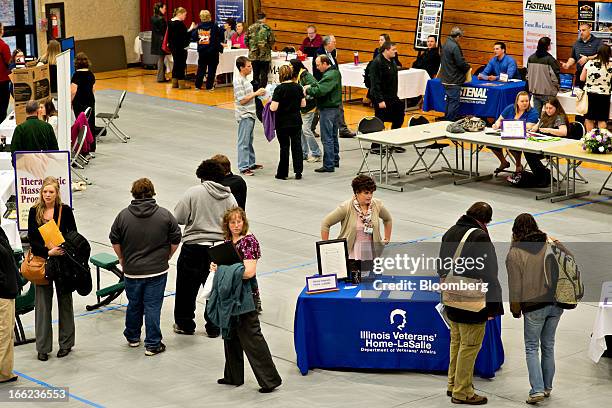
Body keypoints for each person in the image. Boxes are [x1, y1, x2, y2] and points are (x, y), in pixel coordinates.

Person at [207, 207, 282, 393]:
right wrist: (216, 266)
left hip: (245, 297)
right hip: (230, 297)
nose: (236, 225)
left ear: (244, 221)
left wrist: (223, 270)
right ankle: (233, 376)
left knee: (252, 338)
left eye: (239, 221)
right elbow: (230, 267)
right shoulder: (227, 242)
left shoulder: (249, 242)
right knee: (230, 335)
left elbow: (249, 272)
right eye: (232, 222)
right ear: (227, 224)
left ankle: (269, 380)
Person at [437, 202, 504, 405]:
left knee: (456, 343)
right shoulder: (480, 236)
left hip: (452, 296)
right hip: (472, 301)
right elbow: (490, 273)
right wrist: (493, 306)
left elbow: (441, 265)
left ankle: (452, 383)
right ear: (486, 221)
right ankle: (462, 391)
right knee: (470, 346)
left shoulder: (450, 231)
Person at [110, 178, 181, 356]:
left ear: (133, 193)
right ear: (152, 192)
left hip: (132, 271)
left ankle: (133, 337)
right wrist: (169, 255)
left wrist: (121, 258)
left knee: (134, 304)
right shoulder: (164, 215)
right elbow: (176, 238)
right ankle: (153, 344)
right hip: (157, 270)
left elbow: (115, 239)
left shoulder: (123, 216)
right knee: (152, 306)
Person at [173, 159, 238, 337]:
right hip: (219, 249)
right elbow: (235, 223)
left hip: (194, 247)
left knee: (186, 288)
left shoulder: (193, 193)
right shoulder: (229, 196)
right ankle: (214, 326)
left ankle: (185, 324)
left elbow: (178, 218)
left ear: (201, 175)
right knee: (214, 288)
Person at [506, 214, 564, 404]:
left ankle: (536, 390)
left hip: (534, 306)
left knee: (532, 347)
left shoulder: (515, 253)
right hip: (556, 303)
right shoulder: (549, 243)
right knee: (548, 346)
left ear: (515, 230)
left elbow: (515, 286)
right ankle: (547, 387)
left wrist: (515, 309)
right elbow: (568, 261)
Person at [28, 176, 78, 361]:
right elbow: (32, 240)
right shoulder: (35, 212)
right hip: (43, 260)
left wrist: (61, 249)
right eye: (45, 191)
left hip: (63, 261)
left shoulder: (65, 211)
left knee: (65, 302)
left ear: (57, 194)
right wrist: (49, 252)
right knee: (42, 305)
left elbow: (73, 235)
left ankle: (66, 343)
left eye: (51, 192)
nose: (47, 195)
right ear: (41, 193)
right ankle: (43, 347)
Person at [321, 175, 392, 260]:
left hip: (372, 254)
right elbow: (326, 223)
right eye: (366, 193)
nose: (370, 196)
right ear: (357, 192)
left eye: (371, 192)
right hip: (352, 254)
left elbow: (388, 219)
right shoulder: (346, 207)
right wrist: (325, 247)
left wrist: (387, 238)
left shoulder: (377, 204)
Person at [305, 55, 342, 173]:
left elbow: (321, 90)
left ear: (325, 63)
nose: (317, 67)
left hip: (328, 109)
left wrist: (308, 90)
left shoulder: (330, 75)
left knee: (327, 138)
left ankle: (328, 164)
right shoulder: (333, 73)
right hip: (335, 109)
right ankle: (334, 159)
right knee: (333, 136)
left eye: (318, 65)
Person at [314, 35, 355, 138]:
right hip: (326, 83)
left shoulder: (332, 53)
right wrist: (322, 84)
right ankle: (310, 127)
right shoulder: (319, 54)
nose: (335, 44)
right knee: (319, 108)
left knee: (338, 106)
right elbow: (317, 71)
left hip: (333, 84)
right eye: (334, 42)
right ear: (328, 44)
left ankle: (342, 129)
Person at [270, 65, 306, 180]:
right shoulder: (298, 87)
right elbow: (303, 104)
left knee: (284, 147)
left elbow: (274, 108)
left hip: (282, 122)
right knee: (297, 146)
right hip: (296, 121)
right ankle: (298, 171)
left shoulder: (279, 89)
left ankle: (282, 173)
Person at [491, 91, 539, 174]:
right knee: (492, 144)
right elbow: (499, 120)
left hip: (523, 138)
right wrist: (496, 125)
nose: (525, 103)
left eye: (526, 101)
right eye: (522, 101)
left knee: (513, 146)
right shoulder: (510, 108)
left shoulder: (533, 112)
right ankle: (503, 162)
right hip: (506, 135)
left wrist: (508, 125)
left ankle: (518, 165)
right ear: (517, 101)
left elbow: (528, 126)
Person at [233, 56, 265, 176]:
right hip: (244, 114)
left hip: (250, 113)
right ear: (241, 68)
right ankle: (243, 166)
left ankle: (251, 163)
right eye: (248, 66)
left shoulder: (245, 79)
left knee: (249, 140)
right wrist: (256, 93)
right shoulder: (238, 81)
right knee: (244, 141)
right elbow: (242, 100)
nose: (251, 68)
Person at [369, 42, 404, 136]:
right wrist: (380, 100)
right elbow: (375, 83)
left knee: (399, 116)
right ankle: (376, 146)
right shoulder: (377, 63)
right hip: (382, 98)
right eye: (393, 50)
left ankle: (393, 140)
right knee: (380, 121)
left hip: (392, 96)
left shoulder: (392, 61)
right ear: (386, 50)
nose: (395, 52)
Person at [290, 59, 321, 162]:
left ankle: (316, 153)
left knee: (306, 130)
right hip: (302, 108)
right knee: (301, 130)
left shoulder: (306, 76)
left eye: (291, 66)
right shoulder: (298, 75)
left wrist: (306, 94)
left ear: (295, 66)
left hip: (309, 107)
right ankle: (303, 153)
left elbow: (316, 87)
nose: (289, 68)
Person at [438, 27, 471, 121]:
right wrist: (467, 67)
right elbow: (460, 63)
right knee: (454, 101)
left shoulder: (446, 44)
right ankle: (450, 120)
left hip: (445, 78)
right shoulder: (454, 46)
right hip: (453, 79)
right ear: (458, 36)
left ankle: (446, 118)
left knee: (449, 100)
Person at [0, 226, 18, 383]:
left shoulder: (0, 232)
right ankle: (2, 373)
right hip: (2, 294)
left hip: (7, 291)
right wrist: (5, 283)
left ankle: (5, 371)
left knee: (7, 333)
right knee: (4, 334)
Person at [580, 44, 612, 132]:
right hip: (604, 95)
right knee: (601, 119)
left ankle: (590, 138)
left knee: (589, 118)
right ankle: (601, 141)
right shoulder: (610, 65)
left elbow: (582, 78)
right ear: (609, 54)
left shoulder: (589, 63)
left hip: (590, 94)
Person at [71, 52, 98, 151]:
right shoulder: (91, 74)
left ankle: (82, 146)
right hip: (90, 101)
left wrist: (70, 102)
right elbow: (93, 90)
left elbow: (73, 91)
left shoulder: (76, 75)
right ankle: (91, 146)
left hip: (79, 102)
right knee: (90, 123)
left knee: (81, 123)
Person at [527, 36, 560, 115]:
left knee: (536, 116)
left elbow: (527, 75)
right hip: (548, 93)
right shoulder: (550, 60)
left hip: (535, 91)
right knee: (550, 116)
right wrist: (557, 87)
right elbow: (555, 77)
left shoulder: (531, 58)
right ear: (548, 46)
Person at [563, 23, 602, 89]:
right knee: (578, 96)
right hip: (580, 74)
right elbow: (573, 57)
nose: (581, 32)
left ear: (590, 30)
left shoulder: (598, 42)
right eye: (580, 30)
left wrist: (587, 58)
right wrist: (568, 64)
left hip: (594, 75)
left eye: (583, 30)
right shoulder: (577, 43)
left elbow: (601, 55)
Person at [192, 10, 223, 91]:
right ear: (209, 16)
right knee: (212, 69)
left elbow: (194, 37)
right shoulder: (214, 26)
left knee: (201, 68)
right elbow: (221, 35)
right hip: (212, 51)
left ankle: (197, 85)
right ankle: (209, 86)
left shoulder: (199, 26)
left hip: (202, 51)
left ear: (201, 17)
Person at [168, 7, 196, 89]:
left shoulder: (170, 22)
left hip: (173, 47)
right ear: (179, 14)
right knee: (181, 65)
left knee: (176, 64)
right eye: (184, 15)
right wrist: (192, 28)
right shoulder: (179, 23)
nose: (185, 17)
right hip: (180, 47)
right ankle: (181, 84)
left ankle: (174, 83)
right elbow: (185, 36)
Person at [245, 12, 275, 88]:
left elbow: (246, 40)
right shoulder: (267, 28)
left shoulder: (250, 28)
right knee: (264, 74)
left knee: (255, 73)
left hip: (253, 55)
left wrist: (252, 48)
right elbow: (272, 41)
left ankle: (255, 90)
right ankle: (262, 91)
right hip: (265, 55)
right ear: (264, 18)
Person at [150, 2, 168, 83]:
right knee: (161, 59)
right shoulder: (161, 19)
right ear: (160, 9)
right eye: (164, 8)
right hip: (161, 41)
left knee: (161, 59)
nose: (165, 10)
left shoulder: (153, 17)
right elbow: (164, 32)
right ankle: (160, 78)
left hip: (155, 41)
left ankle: (161, 76)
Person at [0, 22, 10, 124]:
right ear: (1, 31)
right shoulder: (3, 46)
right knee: (2, 110)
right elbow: (9, 62)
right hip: (2, 82)